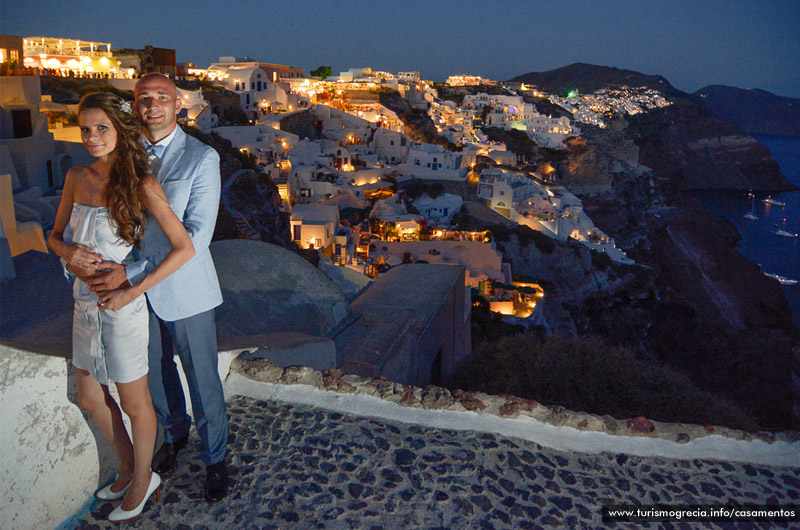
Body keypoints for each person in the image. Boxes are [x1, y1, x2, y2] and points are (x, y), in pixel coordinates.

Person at [49, 92, 195, 522]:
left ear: (120, 130)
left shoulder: (142, 184)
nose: (92, 137)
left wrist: (132, 288)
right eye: (86, 128)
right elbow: (53, 235)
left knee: (135, 404)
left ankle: (143, 479)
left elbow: (183, 247)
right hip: (82, 304)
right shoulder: (76, 176)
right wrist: (68, 253)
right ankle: (130, 467)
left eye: (102, 128)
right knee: (93, 399)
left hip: (121, 307)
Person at [84, 73, 229, 502]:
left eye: (162, 98)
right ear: (135, 105)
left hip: (185, 288)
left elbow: (197, 237)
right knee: (155, 374)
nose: (153, 106)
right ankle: (174, 437)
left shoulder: (202, 158)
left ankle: (216, 459)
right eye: (143, 98)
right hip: (135, 291)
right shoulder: (123, 155)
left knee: (202, 379)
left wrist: (132, 273)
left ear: (178, 104)